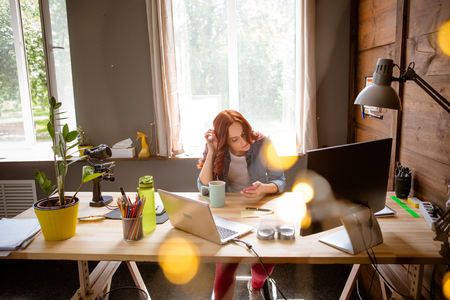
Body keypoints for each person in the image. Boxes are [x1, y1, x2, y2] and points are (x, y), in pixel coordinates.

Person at [197, 109, 286, 300]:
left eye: (244, 133)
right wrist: (212, 151)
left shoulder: (264, 144)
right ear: (224, 141)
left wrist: (263, 188)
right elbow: (203, 185)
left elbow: (280, 181)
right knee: (225, 272)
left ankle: (255, 286)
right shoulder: (216, 147)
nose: (244, 141)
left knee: (264, 267)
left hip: (259, 211)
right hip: (228, 213)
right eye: (234, 139)